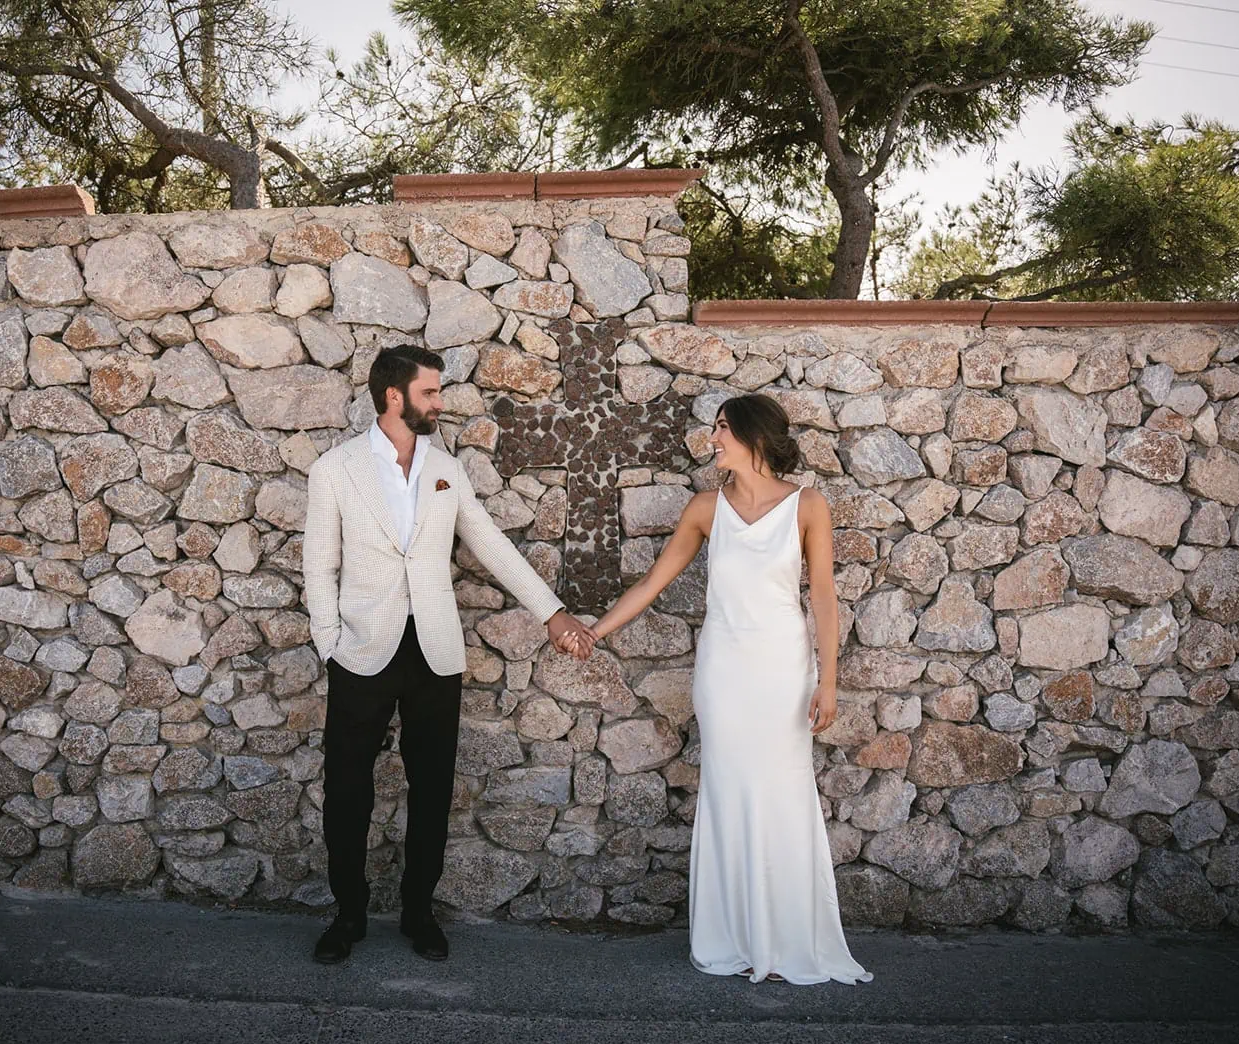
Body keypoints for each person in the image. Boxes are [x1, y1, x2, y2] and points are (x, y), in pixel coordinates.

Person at [302, 343, 597, 964]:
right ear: (394, 397)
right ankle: (347, 915)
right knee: (348, 789)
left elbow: (489, 544)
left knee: (432, 787)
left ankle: (417, 912)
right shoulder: (336, 469)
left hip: (435, 653)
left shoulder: (446, 469)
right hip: (360, 653)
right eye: (431, 392)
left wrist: (552, 612)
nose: (440, 402)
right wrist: (330, 642)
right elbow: (319, 565)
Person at [573, 393, 872, 985]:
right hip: (724, 673)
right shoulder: (705, 509)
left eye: (721, 429)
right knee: (729, 793)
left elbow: (825, 601)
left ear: (753, 437)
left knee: (782, 793)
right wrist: (594, 631)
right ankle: (732, 937)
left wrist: (830, 682)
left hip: (784, 671)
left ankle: (788, 937)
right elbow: (655, 582)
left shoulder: (809, 505)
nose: (712, 439)